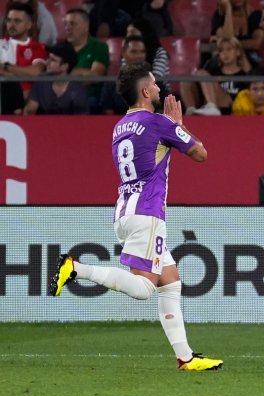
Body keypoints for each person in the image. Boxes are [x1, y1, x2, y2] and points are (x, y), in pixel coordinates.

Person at [49, 62, 222, 372]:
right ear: (145, 91)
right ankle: (75, 268)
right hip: (148, 213)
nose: (159, 88)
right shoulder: (159, 123)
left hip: (125, 210)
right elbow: (201, 154)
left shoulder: (119, 127)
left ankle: (186, 358)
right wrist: (178, 125)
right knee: (144, 290)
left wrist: (171, 129)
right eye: (155, 84)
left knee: (170, 283)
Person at [181, 36, 250, 116]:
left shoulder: (243, 74)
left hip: (231, 105)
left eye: (229, 49)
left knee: (203, 74)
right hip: (207, 103)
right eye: (221, 50)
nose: (225, 53)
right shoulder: (213, 70)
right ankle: (191, 110)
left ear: (238, 52)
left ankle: (212, 107)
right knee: (185, 81)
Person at [63, 7, 109, 113]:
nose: (67, 28)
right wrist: (81, 74)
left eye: (72, 24)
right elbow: (53, 76)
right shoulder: (60, 48)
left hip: (88, 96)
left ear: (86, 26)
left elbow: (95, 75)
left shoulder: (99, 47)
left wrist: (67, 75)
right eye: (65, 24)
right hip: (62, 96)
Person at [23, 42, 89, 115]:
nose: (47, 62)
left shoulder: (77, 90)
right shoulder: (42, 80)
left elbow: (81, 121)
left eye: (53, 60)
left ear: (64, 66)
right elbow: (30, 110)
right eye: (48, 58)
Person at [0, 2, 47, 100]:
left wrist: (6, 67)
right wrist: (23, 74)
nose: (11, 25)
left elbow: (35, 72)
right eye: (9, 20)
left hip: (26, 99)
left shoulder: (38, 47)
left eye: (17, 21)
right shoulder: (1, 43)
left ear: (29, 25)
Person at [211, 0, 264, 66]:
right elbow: (226, 41)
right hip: (226, 59)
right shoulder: (219, 15)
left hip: (251, 58)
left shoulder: (256, 15)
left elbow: (257, 44)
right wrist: (228, 10)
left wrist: (232, 44)